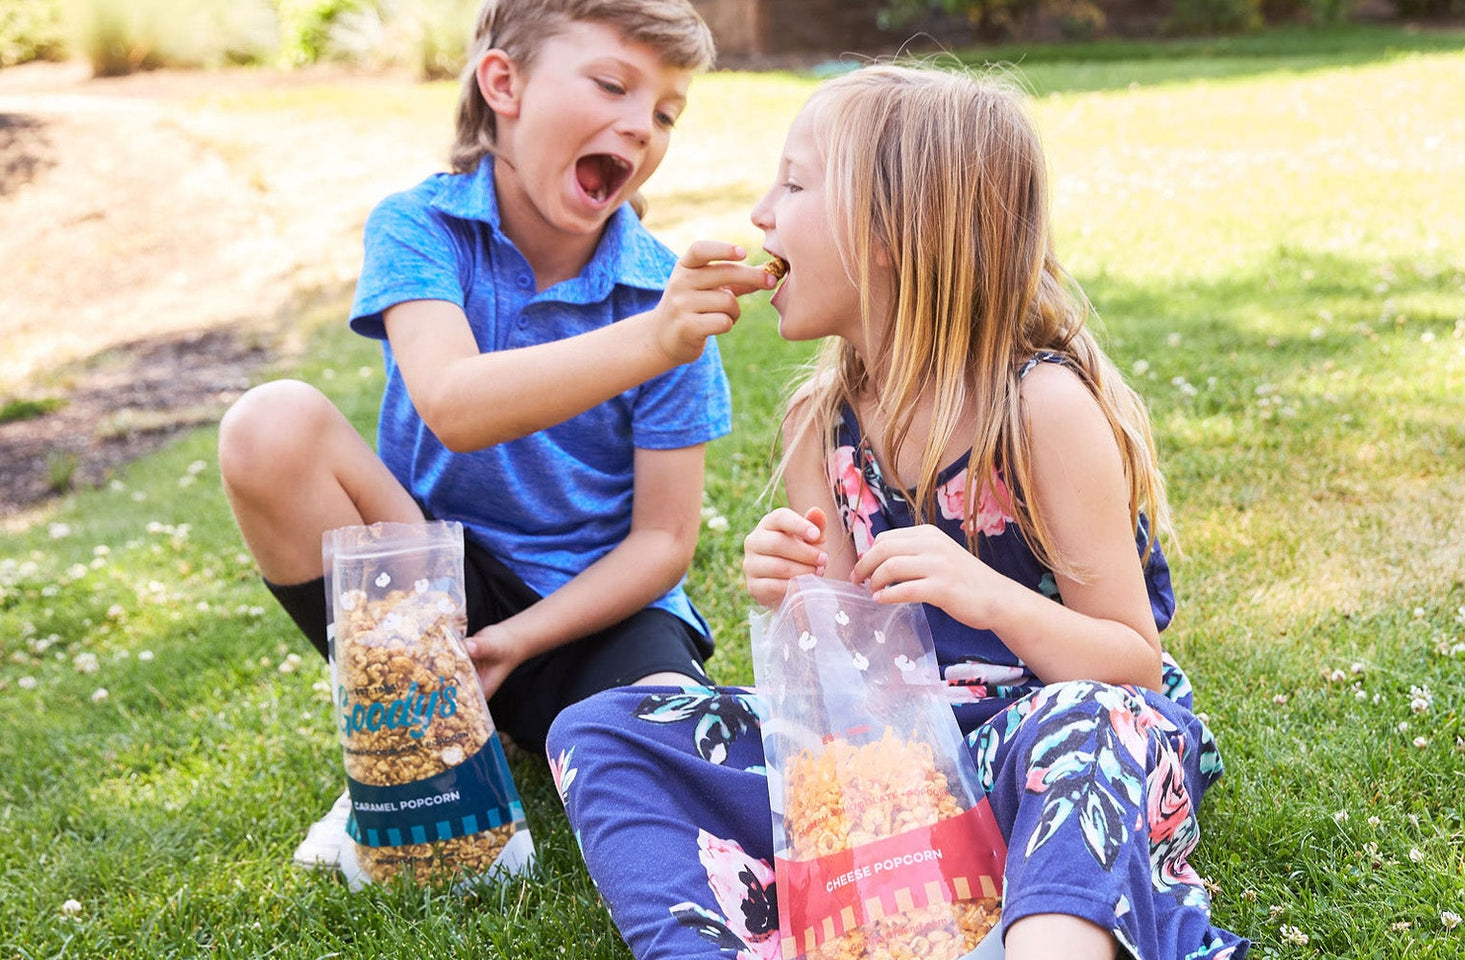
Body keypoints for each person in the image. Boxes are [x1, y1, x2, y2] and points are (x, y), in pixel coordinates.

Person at [546, 64, 1247, 960]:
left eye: (793, 184)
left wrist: (984, 596)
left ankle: (1042, 940)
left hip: (1034, 750)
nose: (760, 213)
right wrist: (794, 595)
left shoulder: (1039, 409)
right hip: (897, 775)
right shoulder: (819, 426)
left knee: (1094, 727)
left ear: (890, 229)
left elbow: (1130, 668)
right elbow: (854, 687)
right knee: (601, 729)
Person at [216, 0, 773, 871]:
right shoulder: (423, 227)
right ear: (503, 83)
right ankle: (410, 742)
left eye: (665, 112)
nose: (641, 125)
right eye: (612, 84)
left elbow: (663, 542)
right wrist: (654, 337)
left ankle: (477, 722)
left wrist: (520, 640)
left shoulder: (664, 292)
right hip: (432, 590)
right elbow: (454, 403)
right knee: (269, 423)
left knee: (699, 764)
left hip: (598, 610)